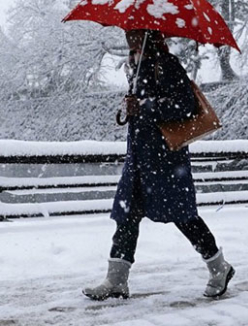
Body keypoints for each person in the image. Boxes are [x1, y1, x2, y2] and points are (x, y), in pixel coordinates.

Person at [83, 29, 235, 301]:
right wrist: (133, 107)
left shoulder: (166, 65)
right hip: (140, 160)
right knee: (126, 216)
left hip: (165, 160)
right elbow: (143, 109)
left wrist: (145, 106)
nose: (130, 40)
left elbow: (185, 106)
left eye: (135, 36)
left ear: (147, 38)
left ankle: (218, 267)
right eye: (128, 35)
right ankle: (116, 280)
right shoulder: (136, 67)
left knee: (183, 216)